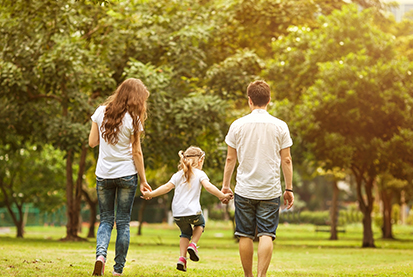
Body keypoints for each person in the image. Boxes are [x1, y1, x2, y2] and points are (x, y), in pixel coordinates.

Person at [221, 80, 294, 277]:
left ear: (249, 100)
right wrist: (289, 189)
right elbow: (286, 160)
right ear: (269, 100)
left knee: (244, 234)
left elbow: (230, 159)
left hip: (244, 190)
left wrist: (225, 186)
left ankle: (248, 276)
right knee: (266, 234)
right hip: (270, 191)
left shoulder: (237, 125)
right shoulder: (280, 126)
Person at [89, 78, 152, 276]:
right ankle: (118, 270)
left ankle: (100, 256)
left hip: (104, 174)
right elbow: (137, 153)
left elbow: (92, 142)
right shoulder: (134, 119)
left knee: (106, 220)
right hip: (126, 175)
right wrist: (143, 180)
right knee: (123, 222)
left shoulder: (101, 112)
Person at [141, 146, 233, 272]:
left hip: (178, 214)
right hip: (193, 212)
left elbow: (167, 187)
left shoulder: (178, 175)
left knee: (185, 233)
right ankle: (193, 245)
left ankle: (182, 259)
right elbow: (208, 187)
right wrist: (222, 196)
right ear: (200, 161)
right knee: (200, 224)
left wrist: (151, 194)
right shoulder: (200, 174)